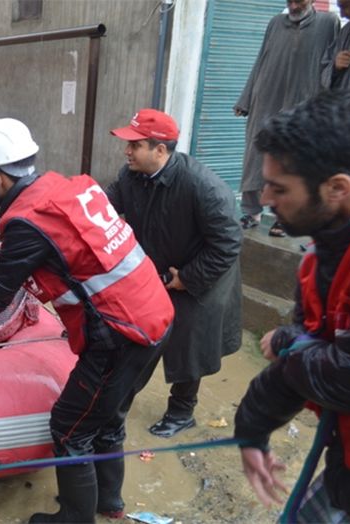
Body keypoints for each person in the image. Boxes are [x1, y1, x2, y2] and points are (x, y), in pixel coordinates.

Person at [0, 118, 174, 523]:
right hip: (156, 317)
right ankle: (110, 507)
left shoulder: (28, 222)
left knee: (70, 428)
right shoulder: (66, 186)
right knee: (107, 419)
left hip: (118, 333)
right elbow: (16, 222)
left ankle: (75, 519)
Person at [234, 90, 350, 523]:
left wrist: (291, 340)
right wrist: (252, 431)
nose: (265, 198)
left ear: (338, 188)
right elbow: (306, 358)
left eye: (279, 188)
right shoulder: (320, 257)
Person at [106, 109, 243, 439]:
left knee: (188, 342)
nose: (126, 152)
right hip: (161, 267)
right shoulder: (132, 176)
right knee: (138, 330)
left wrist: (189, 278)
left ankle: (182, 411)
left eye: (134, 145)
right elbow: (105, 204)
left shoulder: (203, 186)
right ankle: (116, 402)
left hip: (203, 274)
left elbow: (228, 242)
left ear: (160, 150)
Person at [234, 0, 338, 236]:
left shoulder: (328, 22)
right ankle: (252, 212)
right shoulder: (275, 23)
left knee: (293, 161)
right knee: (255, 154)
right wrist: (245, 99)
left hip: (303, 101)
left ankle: (283, 217)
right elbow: (260, 60)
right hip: (267, 97)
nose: (293, 4)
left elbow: (333, 62)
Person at [320, 0, 350, 97]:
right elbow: (325, 71)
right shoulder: (346, 31)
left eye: (345, 7)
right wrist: (335, 67)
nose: (342, 15)